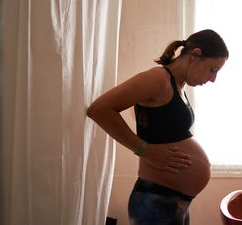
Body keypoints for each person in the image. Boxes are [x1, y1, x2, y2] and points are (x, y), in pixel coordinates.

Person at [87, 29, 229, 224]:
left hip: (175, 201)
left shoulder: (178, 85)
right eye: (213, 69)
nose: (213, 79)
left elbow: (148, 117)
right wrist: (143, 150)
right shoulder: (157, 79)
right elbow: (99, 110)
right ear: (195, 55)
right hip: (155, 201)